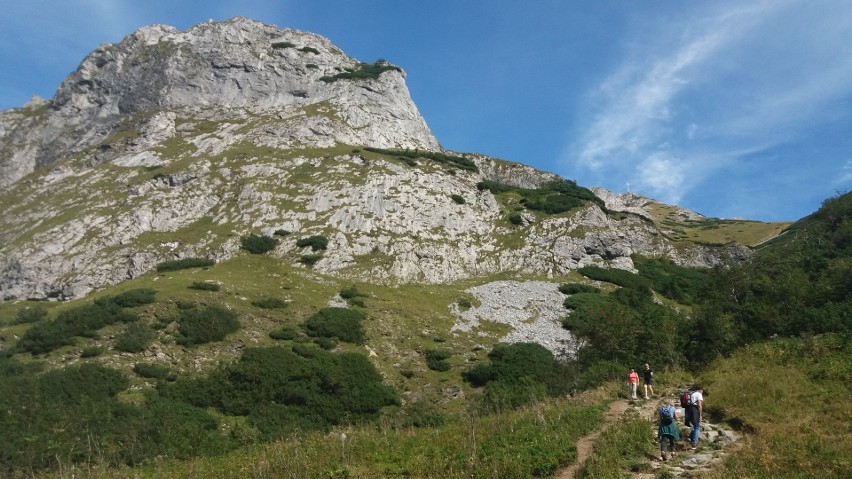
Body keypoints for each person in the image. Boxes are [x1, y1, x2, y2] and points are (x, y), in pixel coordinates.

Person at [685, 385, 705, 450]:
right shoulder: (699, 394)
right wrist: (700, 415)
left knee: (694, 425)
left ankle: (690, 437)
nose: (702, 392)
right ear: (700, 390)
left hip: (688, 410)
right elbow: (699, 405)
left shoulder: (691, 394)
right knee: (697, 426)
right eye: (702, 391)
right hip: (694, 410)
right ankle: (694, 443)